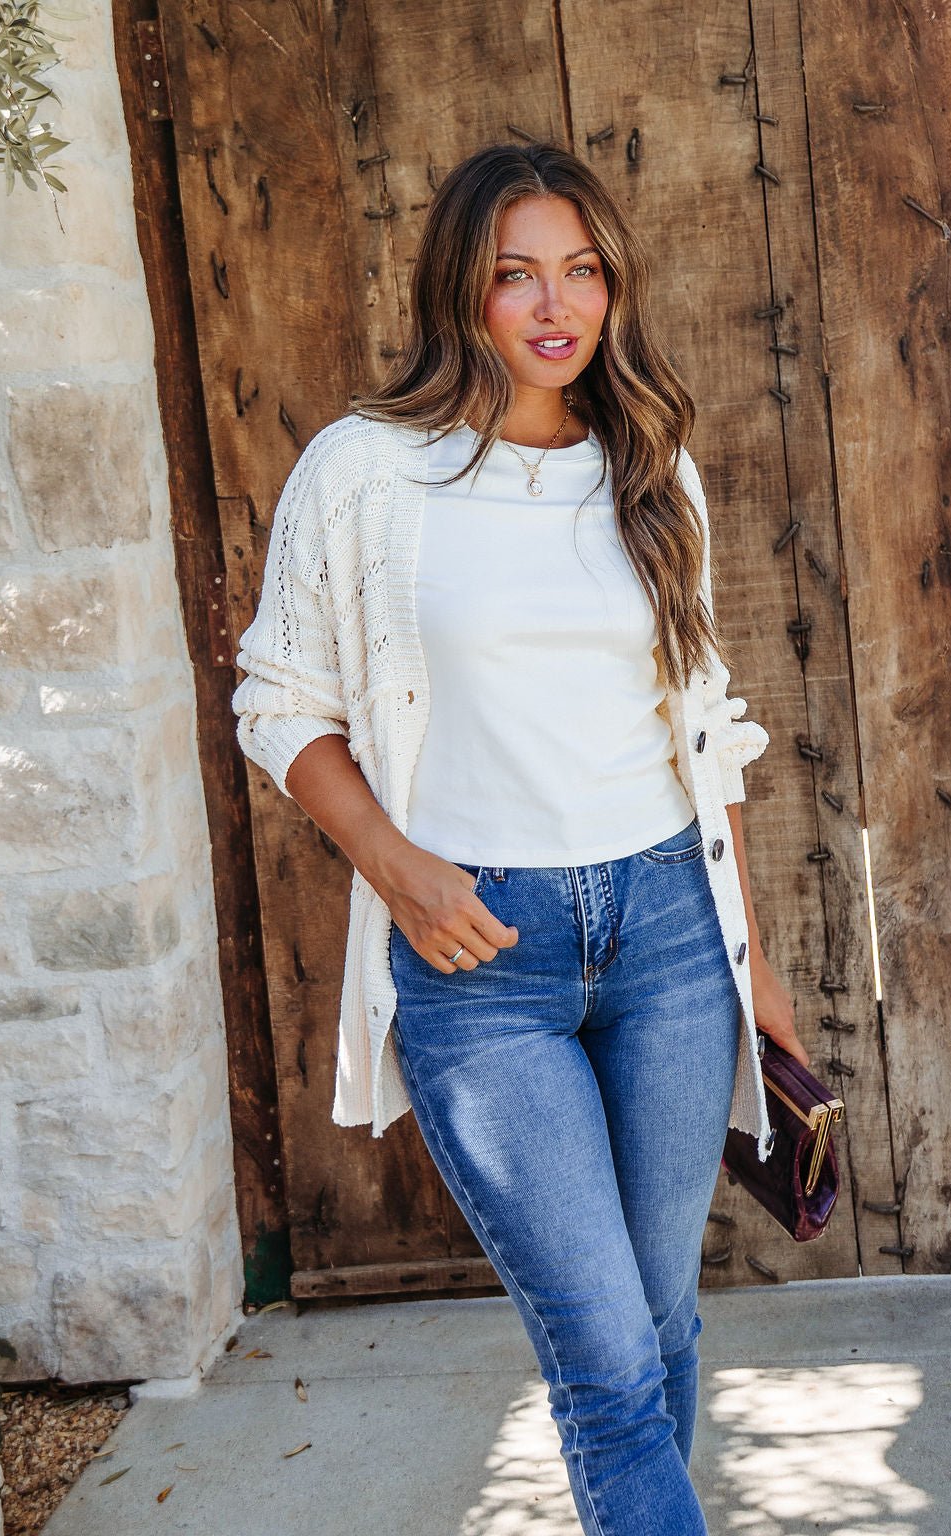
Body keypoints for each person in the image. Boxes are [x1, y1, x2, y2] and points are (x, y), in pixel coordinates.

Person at [232, 141, 809, 1536]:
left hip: (672, 930)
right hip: (483, 954)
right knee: (605, 1350)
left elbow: (704, 714)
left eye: (582, 271)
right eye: (515, 276)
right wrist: (397, 866)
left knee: (662, 1317)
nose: (556, 306)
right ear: (462, 294)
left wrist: (759, 974)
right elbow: (279, 699)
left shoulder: (651, 462)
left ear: (613, 287)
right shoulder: (366, 474)